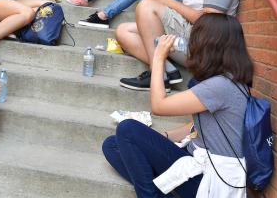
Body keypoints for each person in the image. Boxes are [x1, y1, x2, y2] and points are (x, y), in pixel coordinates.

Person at [102, 14, 252, 197]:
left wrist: (158, 58)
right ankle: (158, 189)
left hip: (210, 179)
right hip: (198, 160)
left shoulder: (219, 86)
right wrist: (163, 137)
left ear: (210, 44)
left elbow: (159, 106)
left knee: (127, 129)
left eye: (196, 37)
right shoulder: (229, 81)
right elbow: (195, 127)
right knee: (112, 145)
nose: (191, 43)